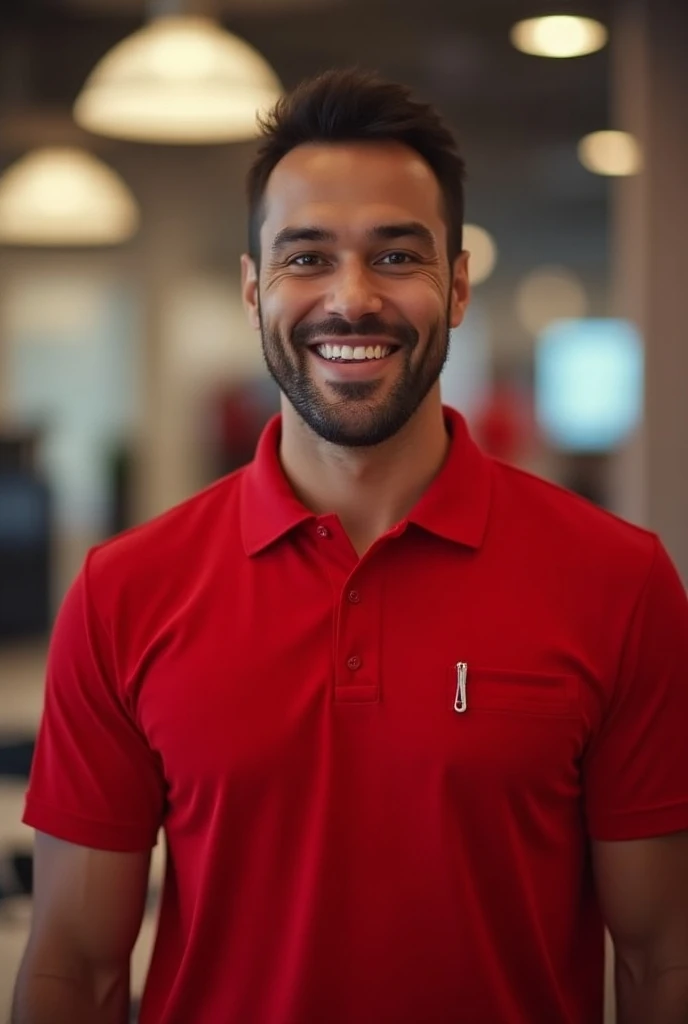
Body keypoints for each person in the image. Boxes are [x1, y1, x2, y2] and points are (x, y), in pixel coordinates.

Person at [12, 69, 688, 1024]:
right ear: (255, 292)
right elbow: (73, 966)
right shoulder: (125, 591)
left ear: (456, 287)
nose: (352, 298)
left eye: (397, 256)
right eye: (307, 257)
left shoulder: (620, 583)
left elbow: (665, 958)